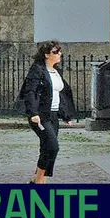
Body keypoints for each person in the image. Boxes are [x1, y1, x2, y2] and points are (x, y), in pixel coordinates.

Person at [18, 40, 75, 184]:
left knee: (46, 148)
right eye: (56, 52)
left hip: (54, 115)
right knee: (53, 146)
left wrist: (65, 115)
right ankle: (38, 180)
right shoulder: (37, 70)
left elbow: (60, 94)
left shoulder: (56, 71)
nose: (59, 54)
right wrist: (33, 113)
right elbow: (30, 92)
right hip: (41, 116)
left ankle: (39, 179)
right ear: (46, 55)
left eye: (59, 51)